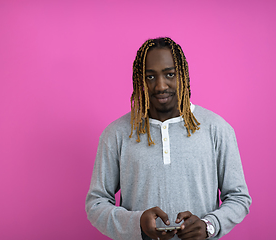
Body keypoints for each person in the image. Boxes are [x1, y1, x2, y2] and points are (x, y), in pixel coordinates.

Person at [85, 37, 251, 240]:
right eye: (150, 77)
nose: (161, 86)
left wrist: (209, 226)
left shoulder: (217, 129)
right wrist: (137, 224)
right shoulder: (116, 134)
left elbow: (238, 197)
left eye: (169, 74)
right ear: (140, 80)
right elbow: (96, 203)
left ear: (183, 75)